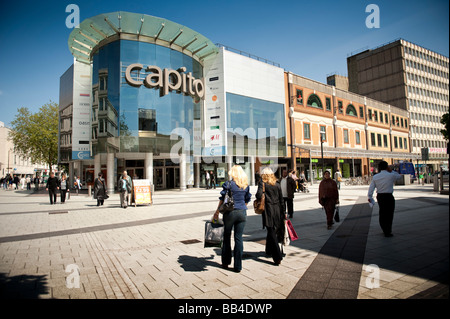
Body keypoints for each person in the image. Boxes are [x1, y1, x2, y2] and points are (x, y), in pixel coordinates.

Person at [213, 165, 251, 273]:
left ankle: (226, 262)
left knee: (227, 236)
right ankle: (238, 266)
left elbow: (222, 199)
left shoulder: (228, 184)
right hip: (242, 213)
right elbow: (247, 199)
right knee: (239, 238)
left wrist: (217, 212)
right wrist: (242, 206)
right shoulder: (245, 185)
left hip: (230, 213)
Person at [256, 167, 285, 265]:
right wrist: (283, 212)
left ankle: (277, 256)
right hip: (277, 210)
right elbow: (282, 200)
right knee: (272, 230)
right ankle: (268, 250)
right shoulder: (277, 184)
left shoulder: (262, 184)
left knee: (271, 230)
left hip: (268, 210)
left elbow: (258, 195)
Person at [367, 161, 402, 237]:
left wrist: (369, 196)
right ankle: (388, 230)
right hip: (389, 196)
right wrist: (391, 170)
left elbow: (371, 188)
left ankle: (384, 228)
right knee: (389, 214)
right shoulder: (391, 175)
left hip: (380, 197)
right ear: (387, 167)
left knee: (382, 213)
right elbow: (399, 176)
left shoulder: (375, 177)